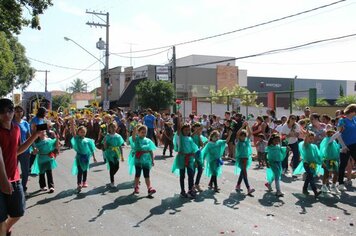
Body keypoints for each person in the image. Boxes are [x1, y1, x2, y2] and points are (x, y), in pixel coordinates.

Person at [0, 98, 40, 236]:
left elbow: (16, 150)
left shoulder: (16, 128)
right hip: (2, 180)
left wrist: (34, 136)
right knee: (0, 219)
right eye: (2, 112)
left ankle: (5, 228)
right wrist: (4, 182)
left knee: (18, 212)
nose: (7, 115)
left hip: (14, 178)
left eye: (9, 111)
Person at [172, 114, 199, 198]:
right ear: (182, 130)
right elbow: (179, 128)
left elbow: (194, 149)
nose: (187, 131)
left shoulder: (190, 139)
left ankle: (190, 190)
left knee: (191, 174)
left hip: (190, 158)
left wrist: (196, 160)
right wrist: (179, 119)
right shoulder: (180, 137)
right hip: (181, 158)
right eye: (185, 130)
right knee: (182, 175)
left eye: (188, 130)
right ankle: (182, 191)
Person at [128, 125, 156, 196]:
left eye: (145, 132)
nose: (144, 134)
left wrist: (152, 160)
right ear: (138, 132)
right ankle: (136, 186)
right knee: (138, 174)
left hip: (146, 160)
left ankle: (149, 188)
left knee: (147, 175)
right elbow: (133, 137)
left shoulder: (148, 140)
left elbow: (150, 151)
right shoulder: (136, 139)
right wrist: (135, 128)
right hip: (138, 160)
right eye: (142, 132)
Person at [293, 132, 322, 199]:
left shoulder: (314, 146)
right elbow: (305, 141)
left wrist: (320, 162)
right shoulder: (305, 145)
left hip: (313, 164)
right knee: (310, 176)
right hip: (306, 163)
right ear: (307, 138)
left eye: (312, 139)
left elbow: (317, 155)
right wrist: (306, 135)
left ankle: (304, 189)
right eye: (310, 138)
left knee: (309, 177)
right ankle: (315, 191)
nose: (311, 140)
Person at [70, 123, 97, 193]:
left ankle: (84, 181)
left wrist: (94, 157)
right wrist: (72, 123)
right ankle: (79, 184)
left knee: (85, 169)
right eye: (81, 132)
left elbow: (92, 149)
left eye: (84, 132)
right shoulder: (76, 139)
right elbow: (73, 132)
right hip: (79, 157)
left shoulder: (88, 140)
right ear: (78, 132)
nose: (82, 133)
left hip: (86, 157)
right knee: (80, 170)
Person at [12, 105, 31, 197]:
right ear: (13, 112)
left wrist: (34, 147)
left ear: (23, 112)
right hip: (13, 151)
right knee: (12, 170)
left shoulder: (26, 123)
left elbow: (29, 137)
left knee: (25, 171)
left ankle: (23, 188)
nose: (19, 113)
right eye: (16, 111)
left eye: (20, 111)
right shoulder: (11, 123)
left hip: (25, 150)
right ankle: (14, 188)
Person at [337, 104, 356, 191]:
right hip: (345, 145)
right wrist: (343, 146)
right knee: (343, 164)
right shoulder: (343, 120)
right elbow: (338, 134)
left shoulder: (355, 119)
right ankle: (340, 183)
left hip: (354, 145)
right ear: (352, 111)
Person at [234, 121, 255, 195]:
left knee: (242, 172)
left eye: (244, 136)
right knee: (244, 172)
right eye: (241, 136)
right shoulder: (238, 142)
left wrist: (248, 126)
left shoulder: (246, 141)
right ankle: (248, 188)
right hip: (240, 159)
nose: (243, 137)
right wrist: (243, 126)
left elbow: (250, 134)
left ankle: (238, 185)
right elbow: (237, 133)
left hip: (246, 158)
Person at [104, 123, 125, 188]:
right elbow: (105, 147)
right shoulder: (107, 136)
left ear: (116, 128)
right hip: (109, 153)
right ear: (109, 128)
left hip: (116, 153)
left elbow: (120, 146)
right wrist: (105, 143)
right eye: (111, 127)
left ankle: (111, 175)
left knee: (117, 167)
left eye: (114, 127)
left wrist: (122, 155)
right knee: (112, 166)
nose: (113, 128)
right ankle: (112, 181)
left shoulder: (118, 136)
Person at [319, 129, 341, 194]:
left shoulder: (334, 141)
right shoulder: (327, 140)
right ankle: (323, 186)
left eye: (332, 134)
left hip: (334, 160)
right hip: (327, 159)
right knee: (327, 173)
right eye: (330, 133)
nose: (331, 135)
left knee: (336, 173)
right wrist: (339, 132)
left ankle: (333, 186)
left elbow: (337, 149)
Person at [191, 123, 208, 192]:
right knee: (193, 171)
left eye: (199, 128)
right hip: (192, 154)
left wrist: (199, 136)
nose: (198, 129)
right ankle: (191, 186)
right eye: (196, 128)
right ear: (194, 128)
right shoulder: (191, 135)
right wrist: (196, 132)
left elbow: (202, 145)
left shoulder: (201, 136)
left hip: (198, 154)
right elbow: (191, 137)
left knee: (200, 170)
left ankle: (197, 184)